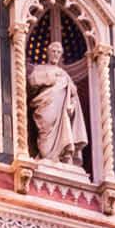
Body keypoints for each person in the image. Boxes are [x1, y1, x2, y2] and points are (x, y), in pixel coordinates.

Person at [29, 30, 88, 166]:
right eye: (53, 51)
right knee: (45, 129)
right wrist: (51, 78)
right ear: (48, 53)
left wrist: (70, 93)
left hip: (62, 111)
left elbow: (73, 91)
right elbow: (32, 81)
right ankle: (47, 155)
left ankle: (63, 155)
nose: (56, 54)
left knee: (65, 129)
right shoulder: (40, 69)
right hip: (46, 105)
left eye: (58, 52)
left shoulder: (64, 74)